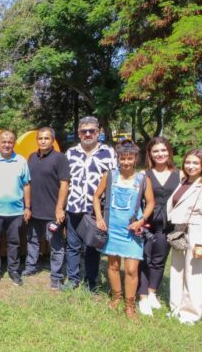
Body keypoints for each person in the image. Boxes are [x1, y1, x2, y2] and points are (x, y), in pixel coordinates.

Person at [93, 140, 154, 321]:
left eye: (129, 158)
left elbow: (151, 203)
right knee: (112, 266)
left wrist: (142, 221)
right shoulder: (110, 176)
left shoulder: (143, 179)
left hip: (132, 230)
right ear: (118, 158)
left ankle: (129, 305)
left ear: (136, 159)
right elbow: (96, 197)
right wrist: (99, 218)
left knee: (131, 269)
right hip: (112, 228)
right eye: (122, 158)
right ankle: (116, 297)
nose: (126, 162)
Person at [166, 148, 202, 325]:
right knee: (177, 272)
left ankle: (191, 313)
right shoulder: (183, 182)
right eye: (188, 162)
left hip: (197, 232)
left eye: (195, 163)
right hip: (180, 231)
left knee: (195, 275)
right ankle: (176, 307)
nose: (191, 166)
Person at [65, 116, 117, 291]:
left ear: (98, 132)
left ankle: (91, 281)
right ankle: (73, 279)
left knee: (92, 247)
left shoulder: (109, 153)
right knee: (72, 246)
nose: (88, 134)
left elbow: (113, 181)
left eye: (92, 131)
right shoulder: (70, 153)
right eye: (84, 131)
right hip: (73, 206)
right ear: (79, 133)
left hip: (96, 209)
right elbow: (65, 181)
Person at [137, 137, 181, 316]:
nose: (160, 154)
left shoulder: (180, 175)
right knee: (144, 259)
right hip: (146, 224)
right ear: (150, 154)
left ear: (169, 152)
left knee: (159, 260)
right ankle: (142, 298)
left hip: (167, 225)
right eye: (156, 151)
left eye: (163, 150)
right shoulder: (143, 174)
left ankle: (153, 292)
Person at [0, 130, 30, 286]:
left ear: (14, 143)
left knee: (14, 243)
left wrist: (27, 207)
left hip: (16, 211)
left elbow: (26, 185)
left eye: (10, 142)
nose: (7, 144)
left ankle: (13, 270)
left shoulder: (21, 161)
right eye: (4, 141)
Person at [24, 127, 69, 290]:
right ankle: (31, 267)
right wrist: (27, 206)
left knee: (56, 245)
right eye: (40, 138)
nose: (43, 141)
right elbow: (27, 183)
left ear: (52, 140)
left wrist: (59, 208)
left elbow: (64, 184)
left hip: (52, 211)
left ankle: (56, 276)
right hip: (34, 210)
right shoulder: (31, 158)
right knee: (32, 240)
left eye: (46, 138)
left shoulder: (60, 158)